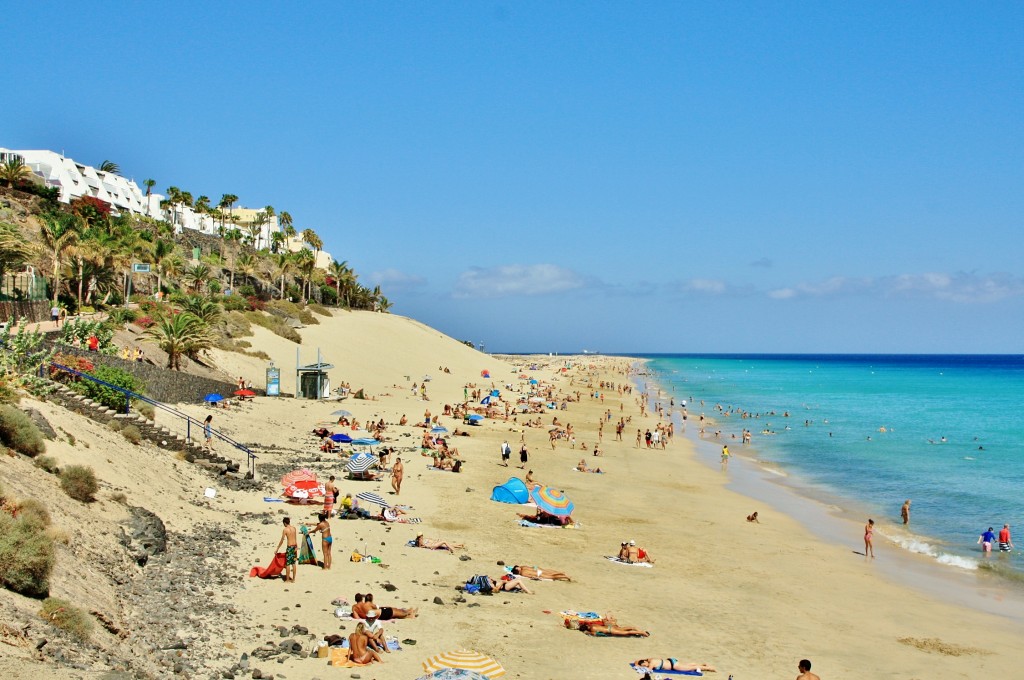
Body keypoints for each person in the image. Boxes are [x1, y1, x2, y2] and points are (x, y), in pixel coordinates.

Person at [275, 517, 298, 582]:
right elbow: (295, 539)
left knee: (288, 564)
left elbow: (282, 540)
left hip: (290, 548)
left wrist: (277, 548)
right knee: (293, 563)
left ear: (285, 523)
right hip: (294, 547)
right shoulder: (294, 528)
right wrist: (296, 547)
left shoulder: (285, 530)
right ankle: (293, 579)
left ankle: (287, 579)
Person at [635, 659, 716, 673]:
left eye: (644, 665)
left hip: (674, 666)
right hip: (672, 662)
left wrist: (639, 667)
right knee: (686, 666)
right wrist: (637, 663)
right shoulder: (651, 660)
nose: (645, 666)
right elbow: (637, 661)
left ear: (645, 662)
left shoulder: (651, 663)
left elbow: (649, 670)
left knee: (691, 668)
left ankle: (709, 668)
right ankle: (702, 665)